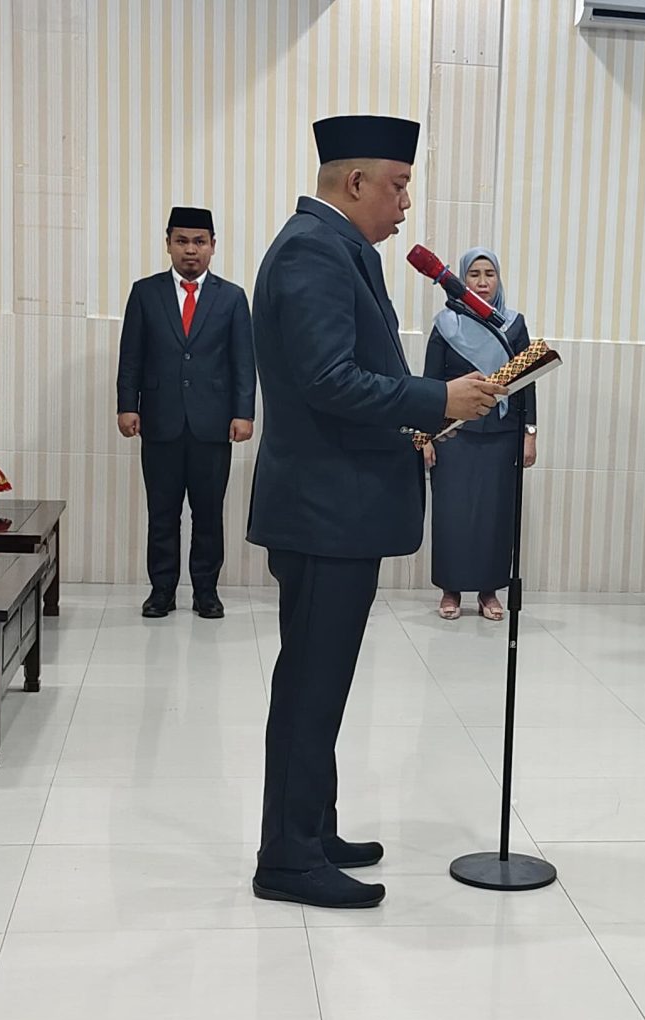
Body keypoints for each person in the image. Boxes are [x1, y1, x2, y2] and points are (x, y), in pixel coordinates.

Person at [246, 115, 504, 910]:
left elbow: (349, 378)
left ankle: (311, 830)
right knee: (311, 686)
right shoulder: (313, 252)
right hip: (325, 511)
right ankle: (288, 859)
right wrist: (435, 400)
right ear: (354, 182)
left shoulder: (334, 246)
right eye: (398, 186)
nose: (405, 204)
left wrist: (412, 423)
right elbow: (328, 380)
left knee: (318, 683)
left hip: (336, 504)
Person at [117, 206, 257, 619]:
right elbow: (131, 356)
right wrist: (127, 406)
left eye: (199, 242)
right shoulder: (145, 293)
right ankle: (161, 591)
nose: (190, 250)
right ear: (168, 244)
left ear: (213, 246)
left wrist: (244, 412)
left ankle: (206, 592)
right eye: (181, 241)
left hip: (212, 424)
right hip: (160, 421)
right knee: (162, 513)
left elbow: (243, 361)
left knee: (208, 514)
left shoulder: (232, 298)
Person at [423, 248, 536, 622]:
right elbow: (430, 383)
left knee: (495, 515)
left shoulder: (513, 326)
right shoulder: (446, 324)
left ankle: (489, 591)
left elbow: (527, 384)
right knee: (452, 513)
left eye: (490, 274)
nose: (483, 282)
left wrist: (529, 433)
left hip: (502, 435)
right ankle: (450, 589)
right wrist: (425, 436)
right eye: (474, 274)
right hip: (453, 435)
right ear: (462, 279)